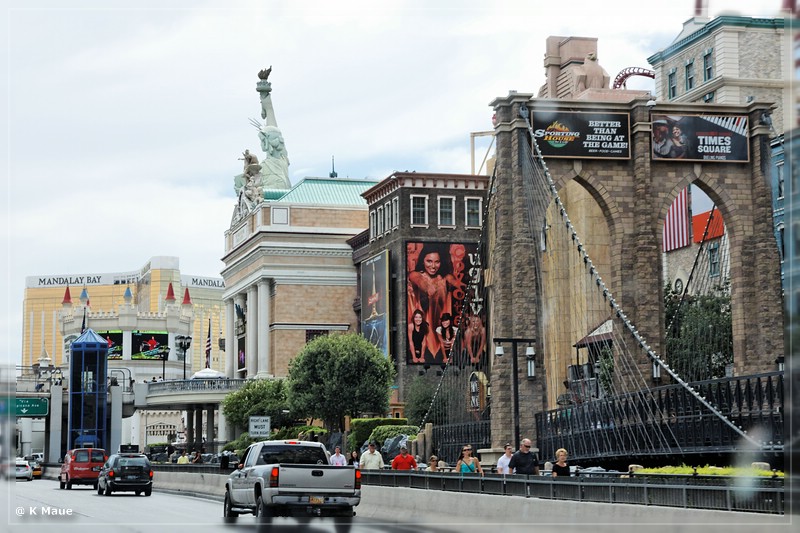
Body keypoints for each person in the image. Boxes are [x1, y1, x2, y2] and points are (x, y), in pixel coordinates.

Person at [407, 243, 466, 362]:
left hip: (442, 330)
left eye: (437, 262)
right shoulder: (415, 275)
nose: (433, 266)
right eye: (429, 261)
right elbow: (421, 282)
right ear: (423, 261)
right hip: (422, 331)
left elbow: (461, 286)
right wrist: (430, 286)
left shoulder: (445, 277)